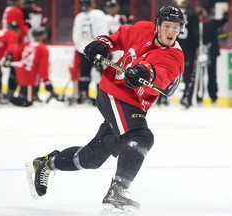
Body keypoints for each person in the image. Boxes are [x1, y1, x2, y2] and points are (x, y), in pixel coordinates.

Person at [26, 5, 184, 214]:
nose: (171, 32)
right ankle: (117, 193)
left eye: (176, 27)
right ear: (157, 26)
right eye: (167, 26)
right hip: (114, 93)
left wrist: (143, 71)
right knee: (141, 136)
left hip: (132, 103)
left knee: (92, 158)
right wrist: (103, 43)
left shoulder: (174, 55)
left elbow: (161, 73)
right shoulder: (142, 29)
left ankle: (46, 164)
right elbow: (119, 36)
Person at [72, 0, 108, 105]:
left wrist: (80, 48)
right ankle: (102, 97)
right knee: (100, 73)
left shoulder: (78, 17)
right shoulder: (99, 14)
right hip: (96, 49)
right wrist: (103, 47)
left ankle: (84, 95)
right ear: (91, 4)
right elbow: (102, 31)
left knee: (84, 73)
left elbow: (75, 35)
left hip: (83, 50)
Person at [10, 27, 57, 107]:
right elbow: (43, 69)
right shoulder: (43, 49)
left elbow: (16, 56)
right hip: (30, 79)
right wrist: (47, 83)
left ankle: (25, 95)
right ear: (43, 36)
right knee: (28, 102)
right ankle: (29, 97)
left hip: (20, 76)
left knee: (26, 93)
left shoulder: (26, 44)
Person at [195, 6, 228, 104]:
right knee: (212, 75)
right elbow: (224, 20)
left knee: (200, 75)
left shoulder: (196, 26)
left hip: (200, 53)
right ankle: (213, 96)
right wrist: (225, 12)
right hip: (211, 53)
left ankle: (198, 96)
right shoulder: (212, 23)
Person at [1, 0, 29, 100]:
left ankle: (10, 92)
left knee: (13, 69)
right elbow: (22, 30)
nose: (22, 2)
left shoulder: (8, 10)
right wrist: (26, 25)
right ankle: (11, 92)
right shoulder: (16, 11)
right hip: (15, 44)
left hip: (9, 42)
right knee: (15, 69)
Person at [174, 0, 199, 109]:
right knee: (188, 75)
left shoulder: (172, 14)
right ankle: (186, 99)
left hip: (175, 48)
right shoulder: (192, 15)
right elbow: (195, 32)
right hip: (188, 50)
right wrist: (198, 47)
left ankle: (163, 99)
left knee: (170, 73)